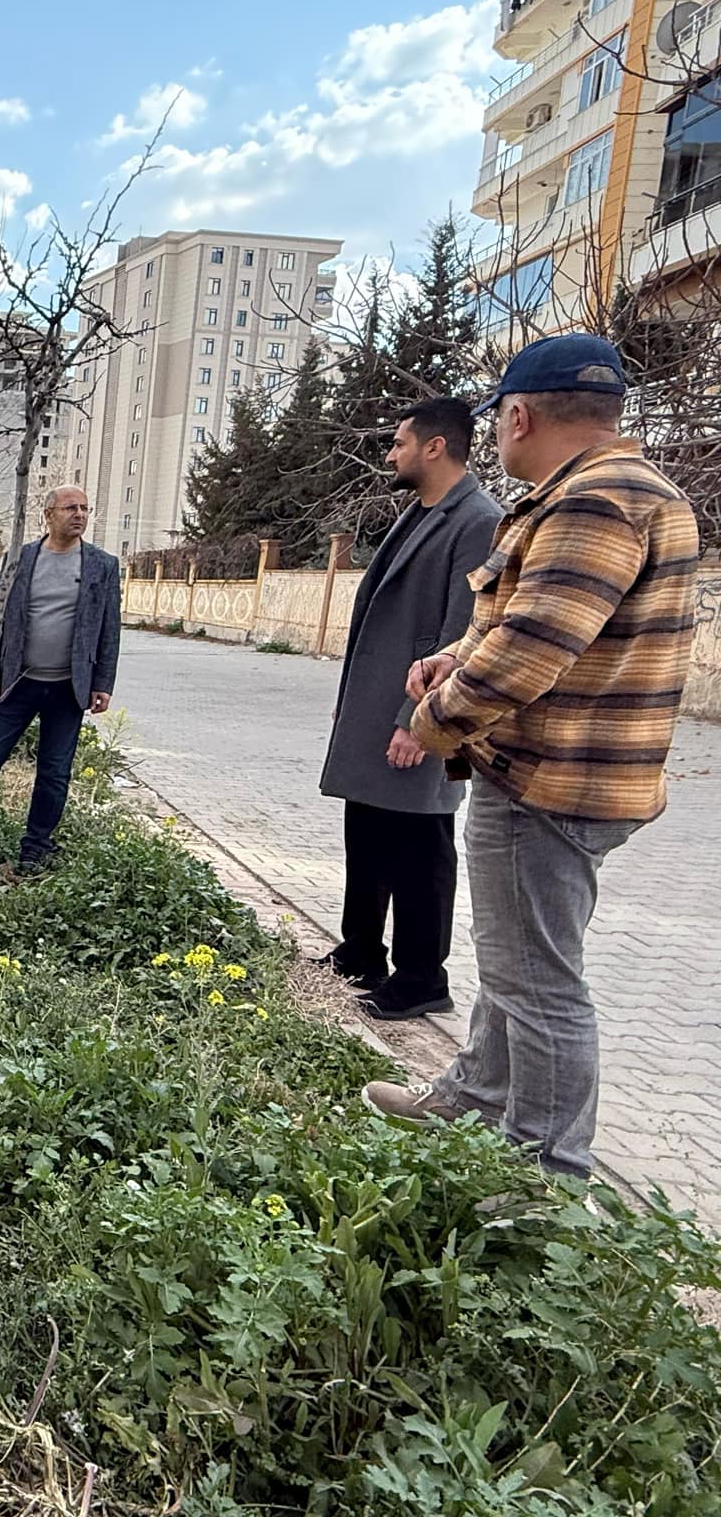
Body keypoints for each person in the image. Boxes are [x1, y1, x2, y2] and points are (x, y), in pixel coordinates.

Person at [362, 334, 701, 1180]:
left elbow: (534, 648)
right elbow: (533, 627)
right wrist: (457, 657)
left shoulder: (594, 500)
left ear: (518, 415)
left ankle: (543, 1178)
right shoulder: (611, 490)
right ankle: (474, 1099)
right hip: (564, 772)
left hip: (552, 778)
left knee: (541, 985)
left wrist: (435, 715)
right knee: (516, 964)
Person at [316, 398, 501, 1020]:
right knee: (368, 832)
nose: (391, 454)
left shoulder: (477, 520)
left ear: (435, 446)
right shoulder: (420, 514)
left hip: (421, 711)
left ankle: (423, 977)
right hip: (377, 707)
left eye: (399, 443)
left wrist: (415, 723)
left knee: (421, 847)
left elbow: (461, 630)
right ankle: (361, 951)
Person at [0, 486, 122, 872]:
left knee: (54, 773)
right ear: (49, 513)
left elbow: (109, 628)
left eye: (86, 508)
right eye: (71, 507)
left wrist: (102, 682)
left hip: (68, 688)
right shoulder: (20, 559)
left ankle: (35, 848)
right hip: (16, 683)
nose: (80, 515)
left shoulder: (102, 566)